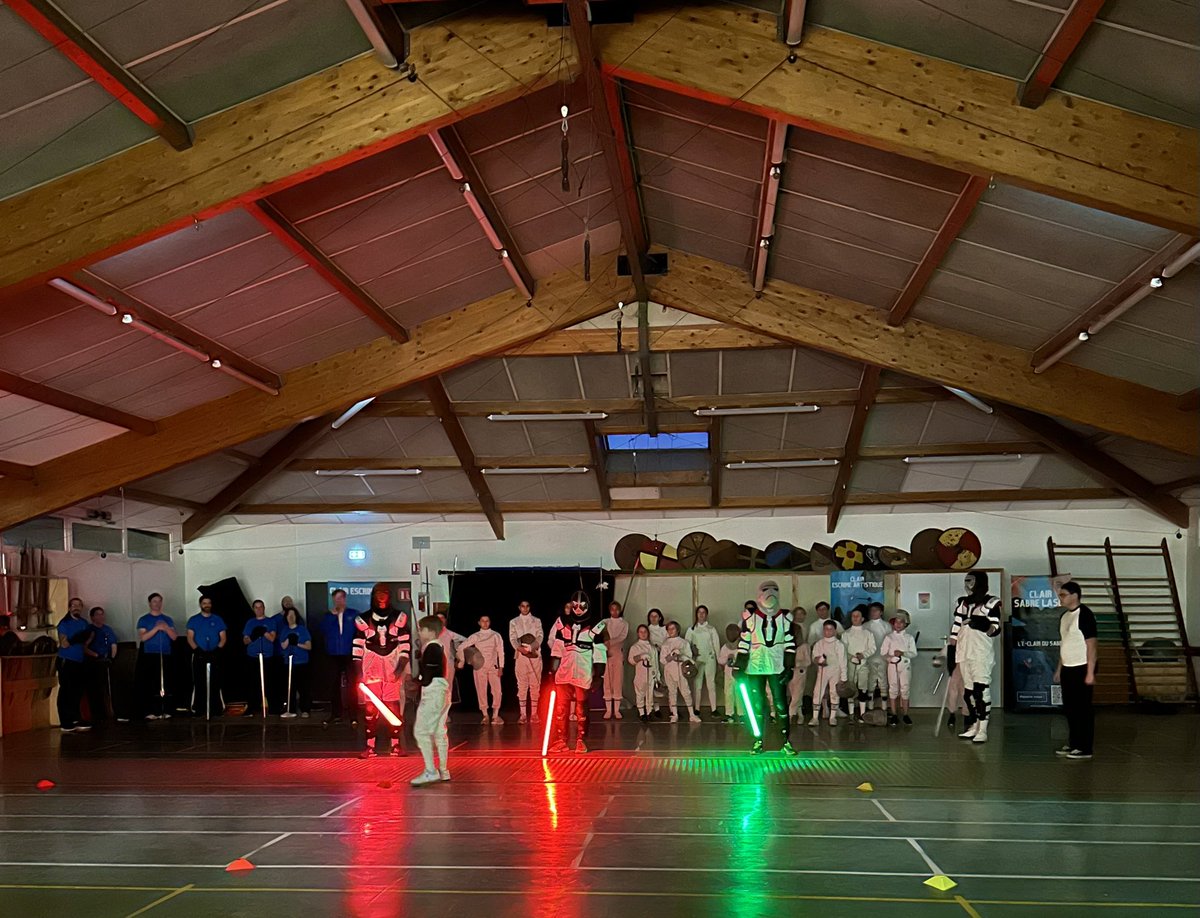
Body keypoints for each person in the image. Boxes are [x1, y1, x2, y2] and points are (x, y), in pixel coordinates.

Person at [734, 581, 797, 755]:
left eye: (775, 590)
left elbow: (790, 643)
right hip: (756, 666)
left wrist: (789, 666)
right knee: (758, 705)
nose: (771, 593)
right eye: (766, 590)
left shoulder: (786, 619)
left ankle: (785, 741)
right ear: (759, 595)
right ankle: (758, 740)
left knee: (781, 704)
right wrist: (739, 666)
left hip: (777, 665)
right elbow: (744, 642)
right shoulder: (750, 619)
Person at [355, 582, 412, 756]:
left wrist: (399, 669)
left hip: (391, 668)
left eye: (385, 592)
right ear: (373, 595)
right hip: (371, 669)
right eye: (378, 592)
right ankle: (370, 747)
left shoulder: (399, 618)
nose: (381, 596)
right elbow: (356, 649)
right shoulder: (363, 620)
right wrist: (359, 673)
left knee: (393, 708)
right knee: (370, 710)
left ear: (390, 595)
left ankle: (395, 745)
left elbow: (405, 646)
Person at [548, 590, 607, 754]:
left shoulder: (596, 624)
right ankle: (562, 740)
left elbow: (600, 651)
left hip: (583, 669)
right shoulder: (563, 621)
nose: (578, 609)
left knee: (581, 707)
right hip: (565, 669)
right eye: (575, 606)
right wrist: (553, 671)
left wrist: (599, 675)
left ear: (587, 606)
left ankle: (581, 740)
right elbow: (558, 648)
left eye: (582, 606)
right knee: (561, 708)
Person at [952, 571, 1002, 744]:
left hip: (981, 653)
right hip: (963, 651)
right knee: (969, 693)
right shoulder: (962, 603)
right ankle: (974, 724)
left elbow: (996, 628)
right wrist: (952, 650)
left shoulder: (992, 602)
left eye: (971, 581)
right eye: (966, 581)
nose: (968, 585)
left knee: (981, 690)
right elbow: (956, 626)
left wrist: (982, 624)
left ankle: (983, 728)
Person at [1053, 581, 1097, 760]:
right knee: (1070, 708)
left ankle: (1085, 747)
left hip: (1082, 666)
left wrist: (1090, 672)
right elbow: (1065, 645)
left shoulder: (1084, 614)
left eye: (1063, 595)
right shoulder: (1064, 617)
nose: (1060, 598)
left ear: (1075, 595)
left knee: (1083, 708)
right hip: (1068, 667)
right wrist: (1059, 669)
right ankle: (1074, 743)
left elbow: (1092, 644)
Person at [411, 616, 452, 786]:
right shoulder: (435, 647)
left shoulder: (433, 648)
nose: (419, 632)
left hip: (434, 692)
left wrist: (418, 681)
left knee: (421, 731)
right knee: (439, 732)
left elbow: (429, 673)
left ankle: (430, 771)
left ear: (431, 631)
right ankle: (443, 770)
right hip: (441, 690)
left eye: (421, 629)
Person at [320, 589, 359, 725]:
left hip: (349, 654)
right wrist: (332, 616)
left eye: (340, 599)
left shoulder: (353, 614)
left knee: (352, 685)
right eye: (335, 599)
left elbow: (359, 632)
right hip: (333, 654)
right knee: (334, 685)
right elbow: (323, 631)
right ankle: (336, 714)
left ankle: (353, 715)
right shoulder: (327, 616)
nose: (338, 602)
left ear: (344, 599)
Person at [136, 593, 178, 720]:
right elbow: (143, 637)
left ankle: (165, 709)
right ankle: (151, 710)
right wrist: (156, 628)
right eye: (155, 601)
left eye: (159, 601)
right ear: (150, 603)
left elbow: (174, 637)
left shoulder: (168, 619)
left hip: (165, 653)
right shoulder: (143, 619)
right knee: (150, 683)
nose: (157, 604)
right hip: (149, 654)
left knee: (165, 682)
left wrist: (165, 628)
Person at [457, 615, 504, 724]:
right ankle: (485, 715)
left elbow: (501, 652)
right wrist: (462, 661)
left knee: (497, 691)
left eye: (487, 621)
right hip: (479, 667)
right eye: (483, 621)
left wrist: (501, 667)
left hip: (493, 666)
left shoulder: (496, 635)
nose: (485, 623)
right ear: (479, 623)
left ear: (490, 622)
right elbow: (461, 647)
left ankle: (495, 716)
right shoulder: (475, 636)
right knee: (481, 690)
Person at [186, 596, 227, 719]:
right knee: (199, 681)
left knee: (215, 681)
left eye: (209, 603)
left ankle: (216, 708)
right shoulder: (193, 620)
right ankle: (198, 708)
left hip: (214, 654)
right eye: (204, 603)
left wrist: (217, 650)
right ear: (200, 604)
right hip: (199, 655)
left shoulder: (218, 619)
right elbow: (190, 637)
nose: (207, 605)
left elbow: (223, 637)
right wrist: (198, 651)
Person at [56, 597, 91, 732]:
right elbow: (64, 643)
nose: (76, 607)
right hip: (67, 660)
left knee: (78, 691)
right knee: (66, 691)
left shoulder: (83, 623)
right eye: (74, 605)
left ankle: (75, 717)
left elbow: (87, 639)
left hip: (79, 661)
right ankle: (65, 721)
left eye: (79, 605)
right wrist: (76, 638)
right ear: (69, 608)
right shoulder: (64, 623)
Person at [508, 600, 543, 724]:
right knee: (522, 685)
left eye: (527, 606)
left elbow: (540, 636)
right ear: (519, 607)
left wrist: (531, 647)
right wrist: (520, 648)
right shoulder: (513, 622)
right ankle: (523, 715)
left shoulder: (536, 620)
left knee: (535, 685)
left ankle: (534, 714)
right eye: (522, 606)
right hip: (520, 657)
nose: (525, 608)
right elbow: (512, 638)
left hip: (534, 655)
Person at [660, 621, 701, 723]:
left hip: (681, 670)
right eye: (669, 629)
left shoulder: (684, 642)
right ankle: (674, 714)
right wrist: (672, 655)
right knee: (672, 692)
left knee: (686, 692)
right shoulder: (665, 644)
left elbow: (689, 657)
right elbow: (663, 660)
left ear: (677, 629)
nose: (671, 631)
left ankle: (692, 714)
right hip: (669, 670)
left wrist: (681, 655)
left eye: (673, 628)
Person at [881, 610, 917, 726]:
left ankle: (906, 714)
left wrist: (903, 653)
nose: (898, 624)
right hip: (892, 666)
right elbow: (883, 653)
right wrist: (890, 658)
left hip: (905, 665)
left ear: (905, 624)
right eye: (896, 622)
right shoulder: (889, 637)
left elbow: (914, 653)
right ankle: (894, 714)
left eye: (901, 622)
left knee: (905, 689)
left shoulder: (909, 637)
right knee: (893, 689)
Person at [841, 606, 877, 724]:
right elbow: (843, 649)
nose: (855, 618)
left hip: (863, 664)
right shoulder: (846, 634)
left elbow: (873, 648)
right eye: (853, 616)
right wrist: (852, 657)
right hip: (850, 665)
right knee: (851, 689)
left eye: (858, 616)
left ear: (862, 619)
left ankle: (862, 714)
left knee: (863, 688)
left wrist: (863, 655)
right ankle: (851, 714)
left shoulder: (868, 633)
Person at [83, 606, 119, 723]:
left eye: (102, 614)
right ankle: (96, 714)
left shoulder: (108, 629)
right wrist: (95, 655)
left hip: (105, 661)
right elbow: (84, 647)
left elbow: (113, 644)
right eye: (98, 614)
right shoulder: (89, 630)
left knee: (107, 687)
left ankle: (108, 712)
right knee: (94, 688)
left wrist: (111, 658)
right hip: (92, 661)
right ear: (92, 617)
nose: (101, 617)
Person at [243, 599, 278, 717]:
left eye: (260, 607)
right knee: (253, 683)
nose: (258, 609)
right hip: (253, 656)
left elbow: (272, 638)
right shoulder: (250, 622)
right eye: (256, 607)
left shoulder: (270, 621)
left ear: (264, 608)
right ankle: (252, 707)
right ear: (253, 609)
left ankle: (273, 707)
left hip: (267, 656)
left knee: (270, 682)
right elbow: (245, 640)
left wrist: (264, 633)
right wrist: (253, 636)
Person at [278, 604, 313, 718]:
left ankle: (305, 709)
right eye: (289, 615)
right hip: (288, 663)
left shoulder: (302, 630)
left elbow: (309, 646)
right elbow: (283, 646)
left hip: (301, 662)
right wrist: (289, 639)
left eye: (293, 615)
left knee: (303, 687)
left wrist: (297, 643)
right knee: (290, 687)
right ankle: (291, 709)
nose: (291, 617)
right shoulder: (284, 630)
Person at [686, 605, 721, 717]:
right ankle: (697, 709)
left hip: (710, 658)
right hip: (697, 660)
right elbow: (686, 645)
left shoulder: (711, 629)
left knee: (711, 684)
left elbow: (716, 645)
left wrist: (719, 660)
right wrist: (690, 658)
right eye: (699, 612)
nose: (701, 615)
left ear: (706, 615)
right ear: (696, 614)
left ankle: (714, 709)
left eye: (703, 612)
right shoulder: (691, 629)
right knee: (698, 685)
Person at [810, 619, 846, 727]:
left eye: (831, 629)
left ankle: (833, 717)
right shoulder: (819, 643)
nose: (828, 631)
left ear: (835, 631)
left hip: (835, 671)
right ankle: (815, 717)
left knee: (834, 693)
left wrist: (844, 677)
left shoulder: (839, 644)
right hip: (822, 671)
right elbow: (814, 658)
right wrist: (818, 661)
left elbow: (842, 661)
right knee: (817, 692)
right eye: (826, 629)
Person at [602, 601, 629, 720]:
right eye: (612, 609)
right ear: (609, 610)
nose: (614, 611)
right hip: (605, 653)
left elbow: (622, 637)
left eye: (617, 609)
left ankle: (616, 710)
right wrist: (604, 645)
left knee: (617, 680)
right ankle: (608, 710)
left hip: (617, 653)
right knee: (607, 680)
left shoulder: (624, 623)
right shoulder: (604, 622)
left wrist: (610, 643)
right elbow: (598, 635)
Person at [628, 624, 657, 722]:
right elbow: (631, 660)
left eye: (645, 632)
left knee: (650, 694)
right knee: (640, 694)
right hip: (640, 675)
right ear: (638, 633)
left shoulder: (652, 648)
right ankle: (641, 713)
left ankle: (649, 712)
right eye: (641, 632)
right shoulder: (635, 647)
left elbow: (655, 663)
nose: (643, 634)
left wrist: (657, 675)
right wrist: (640, 657)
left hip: (651, 674)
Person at [865, 602, 890, 714]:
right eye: (872, 610)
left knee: (883, 681)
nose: (873, 612)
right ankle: (870, 707)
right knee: (870, 681)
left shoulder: (886, 626)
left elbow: (890, 641)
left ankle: (884, 707)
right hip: (869, 658)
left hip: (883, 658)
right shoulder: (865, 626)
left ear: (881, 612)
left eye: (876, 610)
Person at [786, 619, 811, 724]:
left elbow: (808, 661)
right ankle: (799, 714)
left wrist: (798, 663)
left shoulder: (804, 646)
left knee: (797, 694)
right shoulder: (786, 646)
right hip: (789, 672)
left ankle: (790, 714)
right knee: (792, 694)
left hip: (800, 673)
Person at [717, 623, 742, 723]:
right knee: (728, 693)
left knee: (739, 694)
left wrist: (736, 659)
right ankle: (729, 713)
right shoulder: (725, 647)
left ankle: (741, 714)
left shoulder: (742, 646)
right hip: (728, 673)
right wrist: (727, 659)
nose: (731, 635)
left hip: (739, 674)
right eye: (729, 632)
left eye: (733, 632)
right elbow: (720, 660)